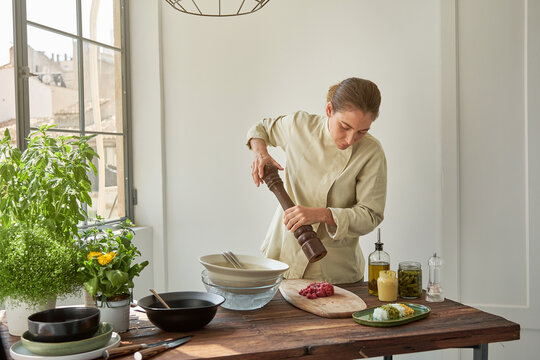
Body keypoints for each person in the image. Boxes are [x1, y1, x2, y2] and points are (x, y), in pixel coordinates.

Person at [246, 77, 387, 284]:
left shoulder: (371, 152)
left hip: (336, 272)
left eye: (362, 132)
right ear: (329, 110)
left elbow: (370, 215)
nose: (350, 139)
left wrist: (321, 215)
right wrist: (259, 153)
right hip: (282, 260)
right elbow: (261, 129)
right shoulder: (299, 126)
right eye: (345, 127)